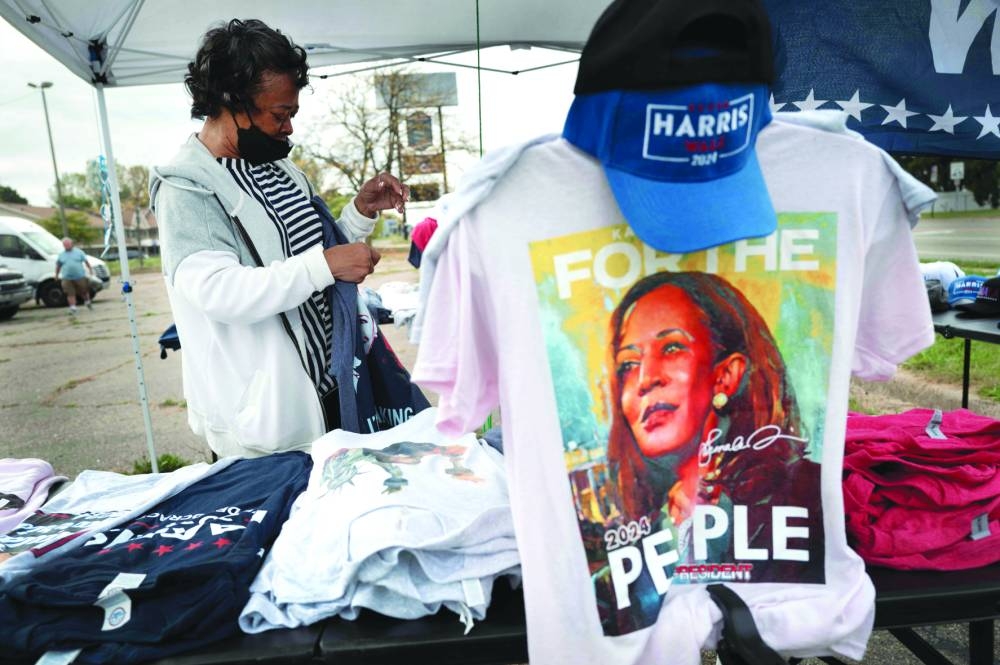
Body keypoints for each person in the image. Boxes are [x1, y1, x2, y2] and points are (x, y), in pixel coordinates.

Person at [150, 18, 411, 459]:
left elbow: (316, 258)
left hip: (331, 390)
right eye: (279, 114)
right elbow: (220, 293)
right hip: (268, 423)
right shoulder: (187, 189)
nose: (288, 128)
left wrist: (360, 213)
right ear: (231, 102)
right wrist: (325, 265)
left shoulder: (280, 170)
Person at [605, 271, 821, 564]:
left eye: (671, 347)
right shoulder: (631, 525)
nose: (645, 379)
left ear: (725, 375)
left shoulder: (804, 492)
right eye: (628, 364)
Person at [54, 238, 93, 315]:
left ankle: (87, 301)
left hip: (79, 276)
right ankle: (73, 308)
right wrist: (56, 275)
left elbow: (86, 262)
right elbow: (58, 266)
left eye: (68, 244)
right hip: (67, 277)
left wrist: (90, 270)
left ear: (72, 244)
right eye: (65, 245)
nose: (66, 246)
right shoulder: (61, 255)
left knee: (84, 291)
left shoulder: (79, 252)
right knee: (70, 293)